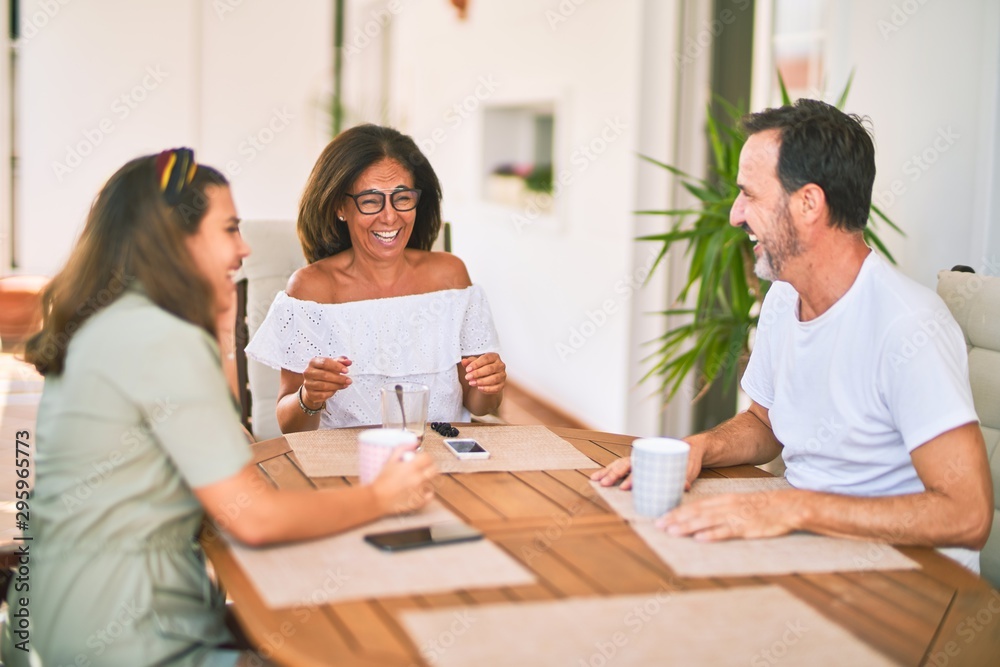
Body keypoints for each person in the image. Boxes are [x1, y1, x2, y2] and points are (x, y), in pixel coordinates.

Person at [0, 149, 437, 667]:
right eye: (229, 229)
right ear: (176, 237)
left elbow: (219, 449)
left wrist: (219, 321)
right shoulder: (160, 339)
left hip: (63, 622)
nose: (244, 247)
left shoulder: (115, 320)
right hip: (134, 644)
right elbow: (250, 518)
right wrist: (382, 496)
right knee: (385, 652)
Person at [593, 99, 992, 572]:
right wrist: (696, 449)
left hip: (908, 579)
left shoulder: (908, 326)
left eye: (751, 195)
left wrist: (797, 507)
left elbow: (967, 515)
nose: (735, 215)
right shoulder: (785, 296)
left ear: (808, 203)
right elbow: (765, 424)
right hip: (811, 547)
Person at [246, 124, 507, 434]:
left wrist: (489, 385)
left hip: (441, 460)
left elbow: (480, 405)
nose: (389, 217)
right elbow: (291, 426)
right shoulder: (312, 289)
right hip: (349, 469)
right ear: (340, 207)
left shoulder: (450, 277)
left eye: (402, 198)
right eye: (370, 201)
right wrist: (309, 396)